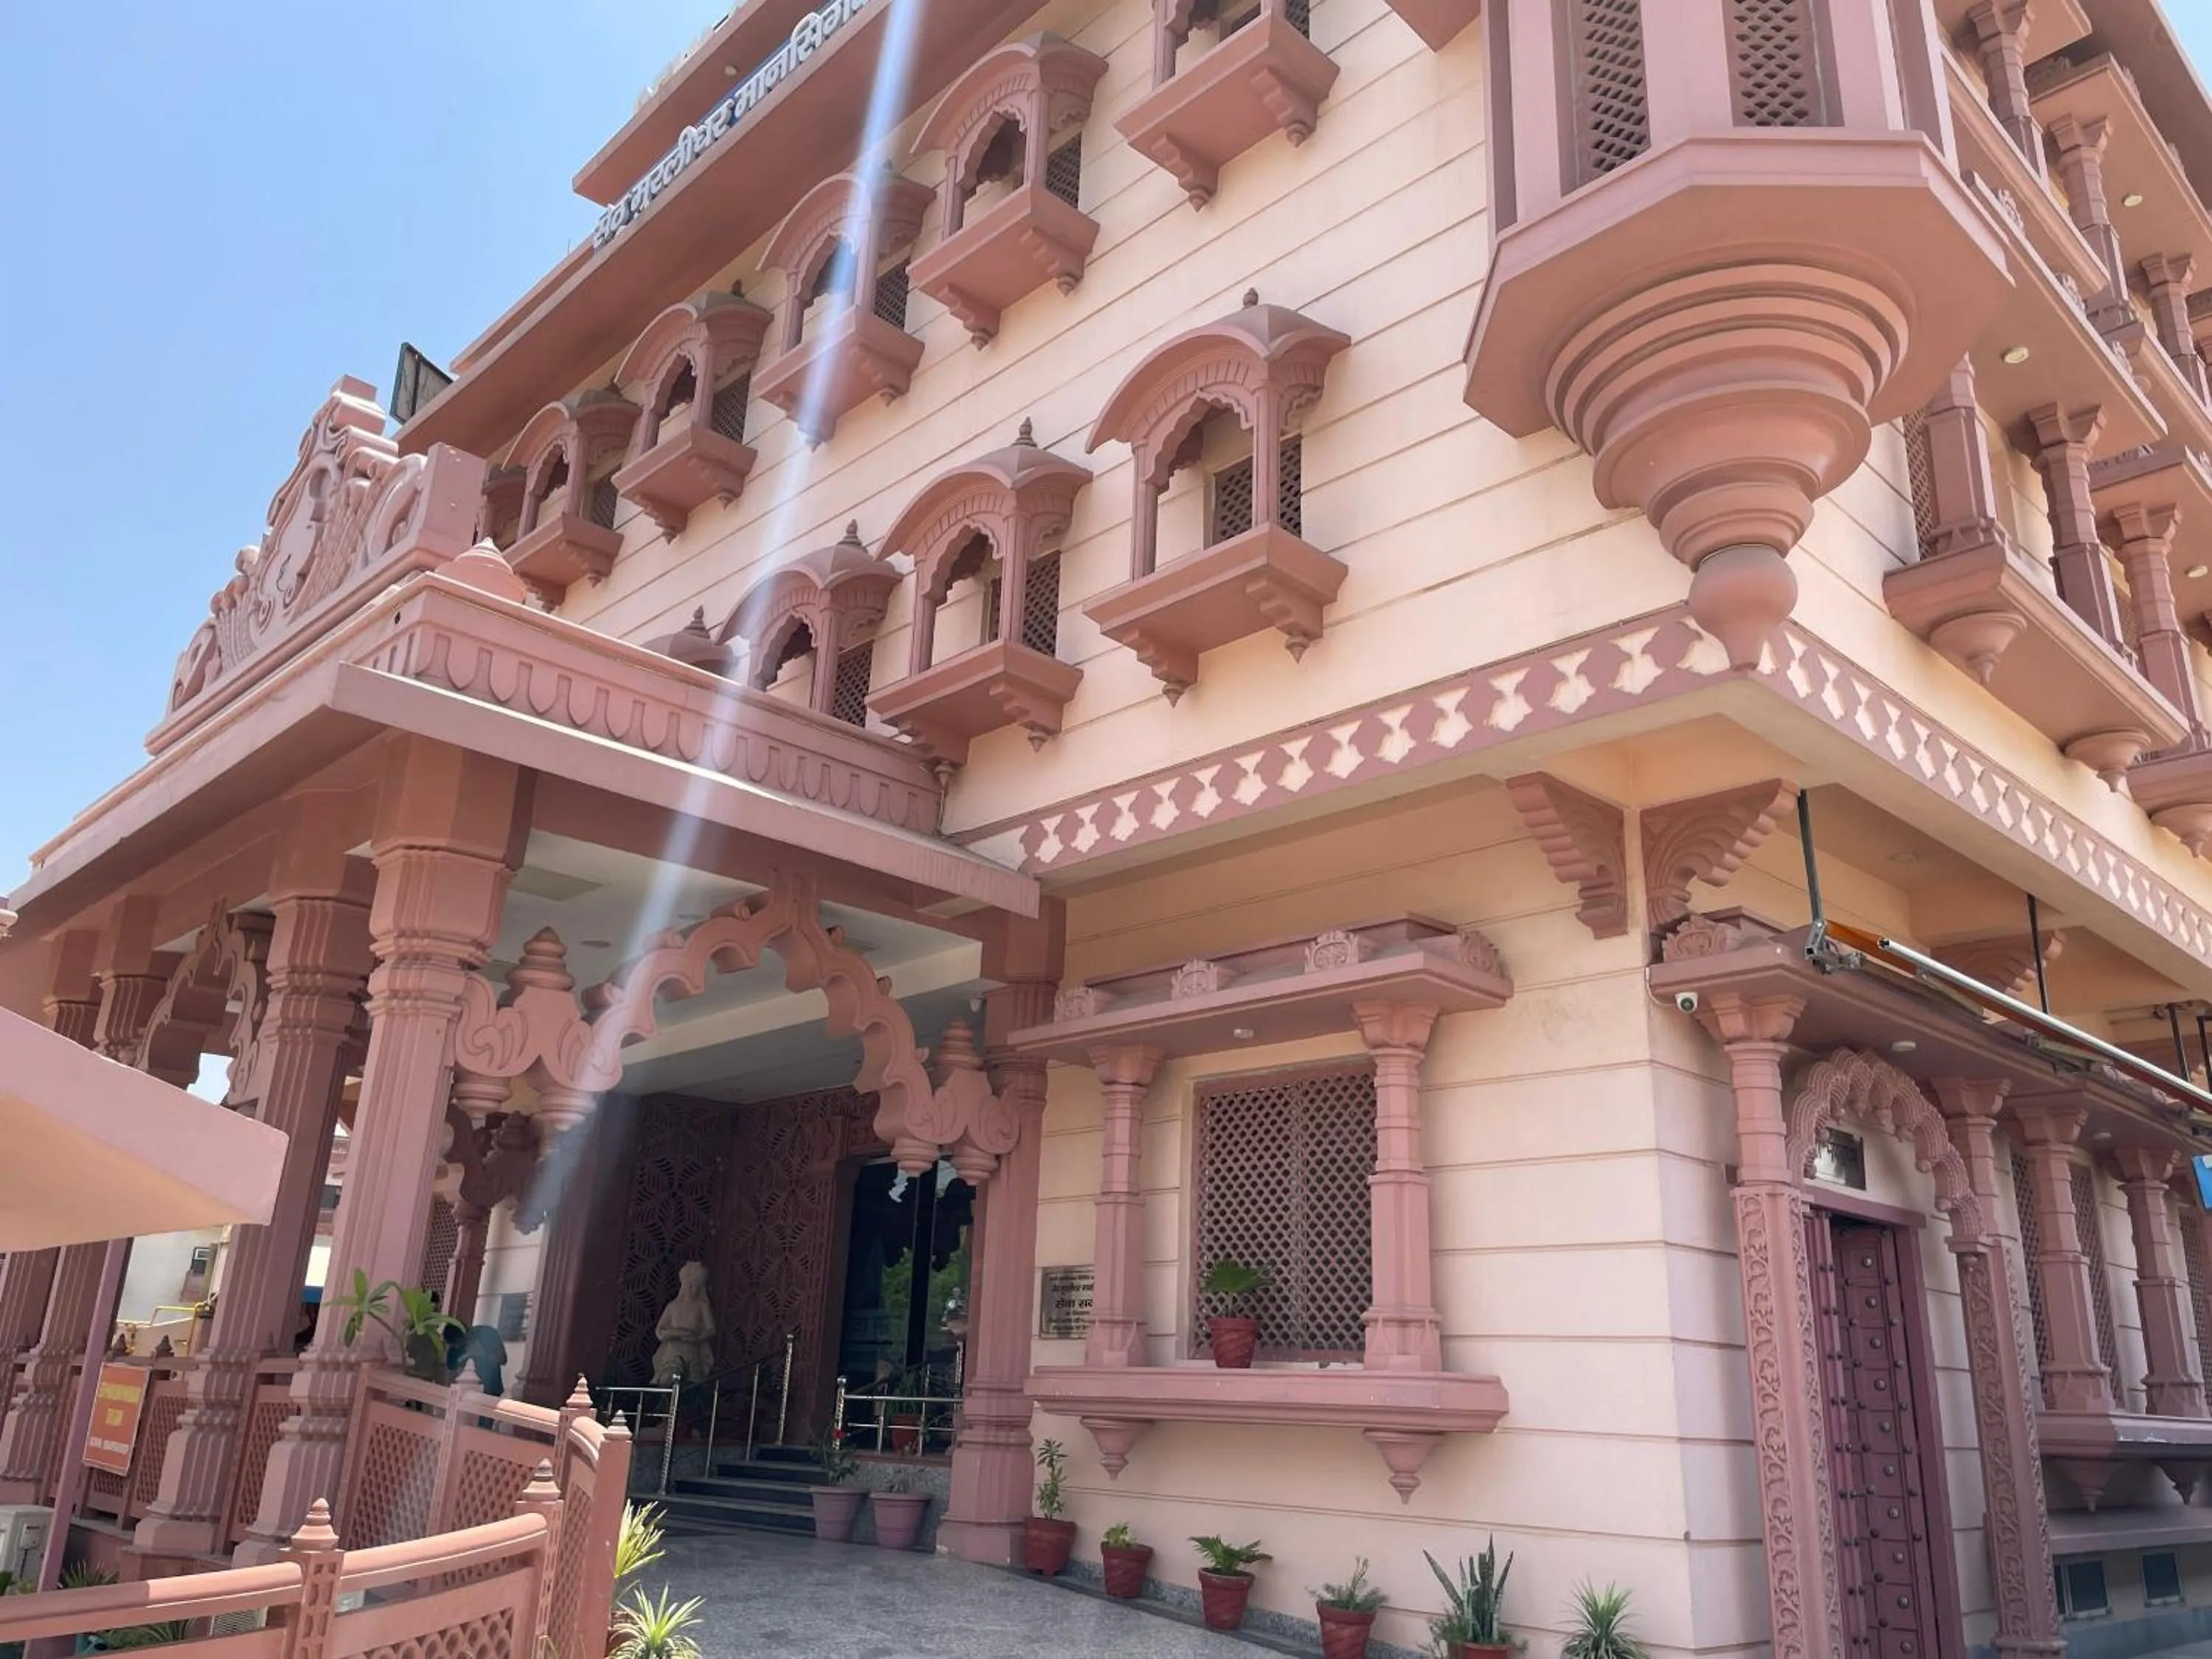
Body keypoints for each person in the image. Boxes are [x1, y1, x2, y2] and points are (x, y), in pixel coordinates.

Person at [651, 1261, 717, 1385]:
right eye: (690, 1285)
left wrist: (697, 1337)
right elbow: (660, 1331)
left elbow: (711, 1329)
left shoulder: (702, 1306)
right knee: (667, 1378)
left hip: (692, 1350)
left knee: (693, 1380)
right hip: (673, 1350)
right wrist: (677, 1334)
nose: (693, 1289)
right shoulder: (673, 1306)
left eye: (697, 1286)